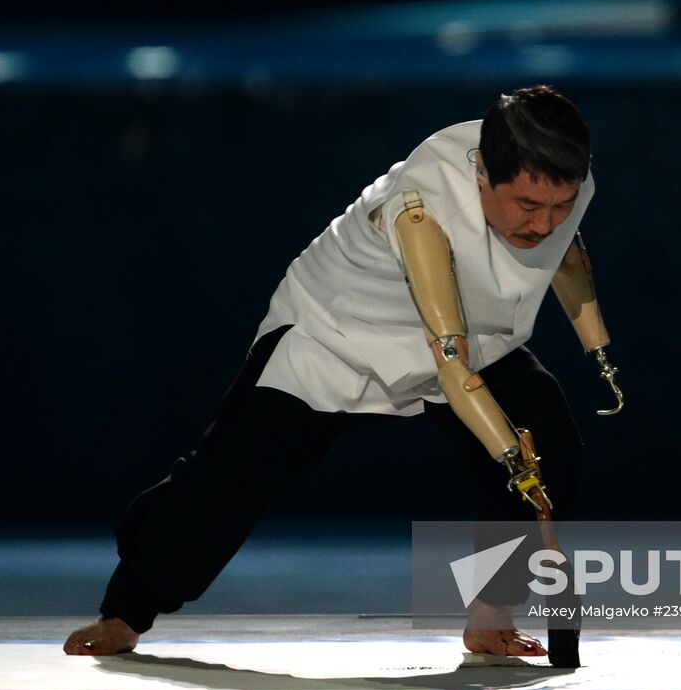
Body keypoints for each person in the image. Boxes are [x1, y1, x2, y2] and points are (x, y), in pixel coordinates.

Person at [65, 85, 621, 659]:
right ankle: (125, 612)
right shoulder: (420, 205)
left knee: (551, 440)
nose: (544, 221)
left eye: (559, 206)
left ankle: (490, 614)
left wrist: (595, 348)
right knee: (225, 480)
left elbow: (567, 251)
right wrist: (514, 459)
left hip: (468, 329)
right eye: (528, 207)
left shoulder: (561, 180)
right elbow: (451, 364)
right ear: (482, 172)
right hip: (336, 334)